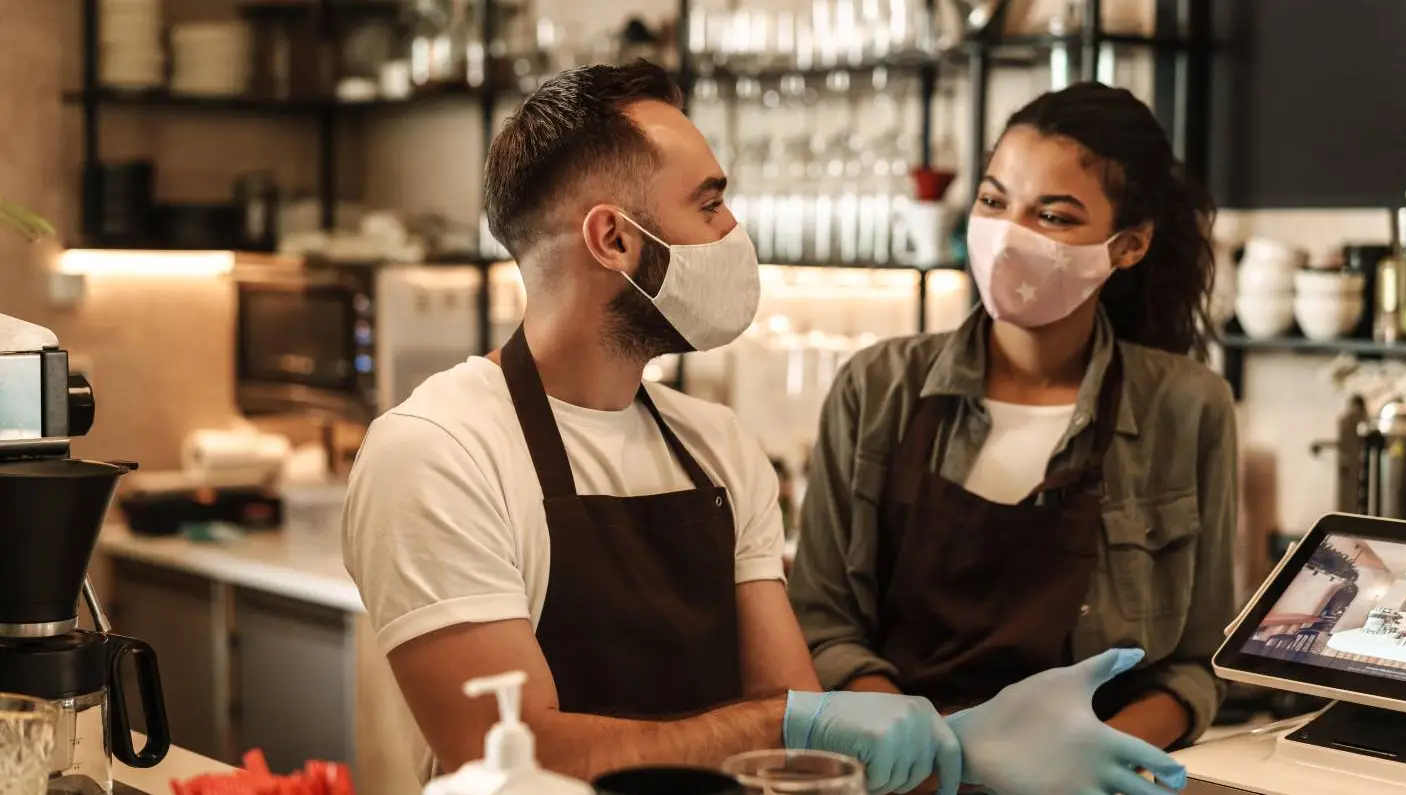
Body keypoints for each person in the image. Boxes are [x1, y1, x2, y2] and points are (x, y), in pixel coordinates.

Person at [343, 62, 1186, 795]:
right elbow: (511, 754)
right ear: (614, 239)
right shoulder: (439, 449)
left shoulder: (715, 444)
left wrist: (959, 747)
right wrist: (801, 724)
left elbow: (809, 741)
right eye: (710, 203)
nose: (733, 233)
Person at [789, 81, 1238, 753]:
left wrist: (1087, 754)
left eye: (1052, 216)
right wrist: (933, 748)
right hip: (902, 773)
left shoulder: (1188, 405)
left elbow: (1199, 664)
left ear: (1129, 245)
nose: (1009, 237)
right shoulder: (876, 386)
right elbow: (823, 626)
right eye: (994, 201)